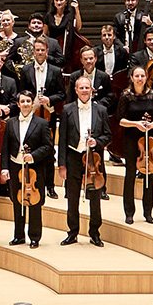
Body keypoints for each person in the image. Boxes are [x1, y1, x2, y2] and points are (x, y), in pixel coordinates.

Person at [60, 74, 107, 247]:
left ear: (92, 90)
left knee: (95, 198)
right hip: (73, 157)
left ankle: (95, 233)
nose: (85, 91)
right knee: (72, 198)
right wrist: (62, 164)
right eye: (81, 88)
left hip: (93, 160)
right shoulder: (67, 110)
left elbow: (107, 135)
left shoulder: (100, 110)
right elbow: (62, 139)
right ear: (76, 90)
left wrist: (97, 142)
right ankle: (72, 232)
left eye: (87, 87)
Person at [0, 91, 49, 247]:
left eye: (28, 101)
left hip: (34, 169)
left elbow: (48, 147)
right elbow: (5, 147)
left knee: (34, 202)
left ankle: (34, 236)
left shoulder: (42, 123)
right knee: (17, 201)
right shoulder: (11, 123)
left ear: (32, 103)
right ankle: (18, 235)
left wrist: (33, 156)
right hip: (15, 166)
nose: (26, 104)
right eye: (23, 101)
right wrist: (5, 168)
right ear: (18, 104)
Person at [117, 65, 153, 225]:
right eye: (136, 76)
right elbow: (121, 120)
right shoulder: (125, 95)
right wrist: (136, 124)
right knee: (130, 175)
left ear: (146, 78)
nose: (140, 79)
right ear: (132, 78)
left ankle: (148, 212)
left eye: (142, 76)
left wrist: (152, 125)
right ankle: (129, 212)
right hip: (131, 139)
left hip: (148, 139)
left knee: (148, 175)